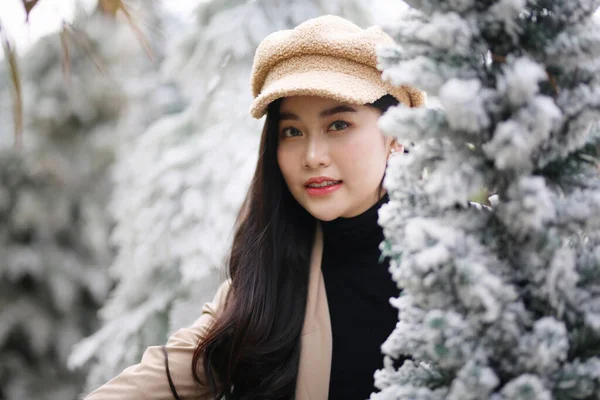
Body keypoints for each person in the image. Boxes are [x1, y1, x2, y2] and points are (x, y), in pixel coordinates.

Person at [84, 15, 424, 400]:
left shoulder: (469, 249)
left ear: (395, 133)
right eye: (292, 132)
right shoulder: (268, 281)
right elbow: (155, 381)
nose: (312, 156)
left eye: (338, 125)